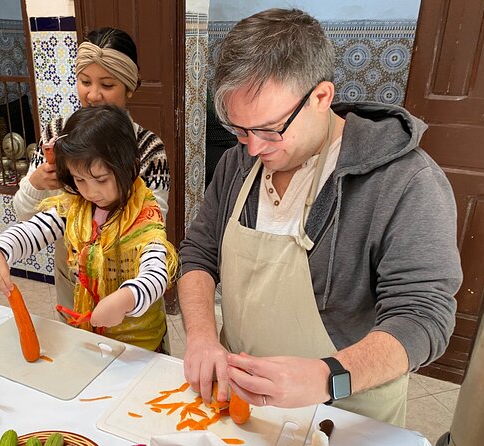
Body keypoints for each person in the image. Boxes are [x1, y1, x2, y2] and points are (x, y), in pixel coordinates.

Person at [178, 8, 462, 426]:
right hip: (244, 404)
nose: (253, 149)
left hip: (346, 411)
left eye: (271, 130)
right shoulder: (238, 164)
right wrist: (201, 337)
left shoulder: (406, 181)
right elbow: (198, 255)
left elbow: (423, 316)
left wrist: (329, 377)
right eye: (240, 130)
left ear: (321, 97)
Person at [0, 105, 177, 351]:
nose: (91, 191)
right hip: (91, 337)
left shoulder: (145, 214)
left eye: (102, 179)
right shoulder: (77, 206)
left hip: (141, 345)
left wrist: (129, 297)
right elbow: (33, 230)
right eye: (80, 179)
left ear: (129, 165)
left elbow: (157, 273)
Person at [13, 27, 170, 311]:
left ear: (130, 87)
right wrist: (35, 184)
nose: (93, 95)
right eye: (85, 81)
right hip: (73, 269)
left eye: (107, 85)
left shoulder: (147, 147)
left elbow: (153, 226)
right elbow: (26, 215)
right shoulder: (57, 135)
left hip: (129, 276)